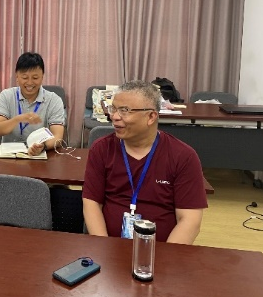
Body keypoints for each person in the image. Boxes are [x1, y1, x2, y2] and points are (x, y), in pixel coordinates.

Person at [82, 80, 207, 244]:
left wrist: (164, 257)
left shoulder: (183, 156)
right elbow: (92, 204)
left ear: (151, 116)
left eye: (125, 111)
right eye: (113, 109)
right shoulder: (102, 149)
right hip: (109, 248)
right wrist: (104, 247)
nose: (115, 117)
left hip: (161, 251)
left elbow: (190, 220)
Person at [0, 52, 65, 155]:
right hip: (10, 154)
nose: (30, 83)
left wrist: (42, 146)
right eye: (25, 78)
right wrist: (18, 119)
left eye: (35, 78)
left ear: (42, 77)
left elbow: (57, 136)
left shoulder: (54, 100)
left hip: (39, 155)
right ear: (17, 77)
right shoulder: (6, 96)